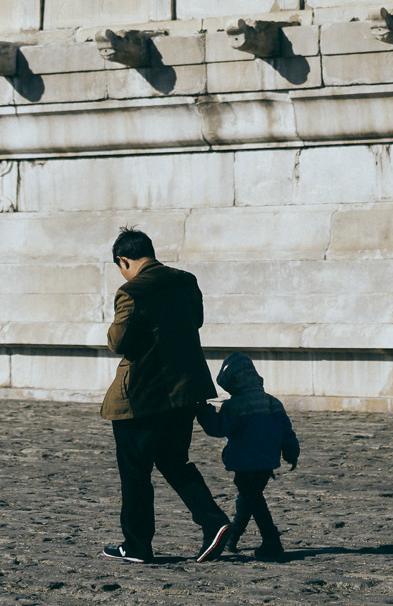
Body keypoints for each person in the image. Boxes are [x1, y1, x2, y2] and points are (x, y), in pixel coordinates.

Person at [100, 227, 232, 564]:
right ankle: (213, 520)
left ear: (123, 260)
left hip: (141, 397)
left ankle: (137, 545)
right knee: (175, 462)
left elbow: (119, 342)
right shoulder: (186, 281)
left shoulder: (131, 290)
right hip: (184, 392)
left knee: (135, 473)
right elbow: (195, 322)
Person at [196, 351, 300, 561]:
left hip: (244, 463)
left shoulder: (234, 406)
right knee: (248, 499)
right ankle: (234, 536)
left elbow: (218, 428)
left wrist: (203, 411)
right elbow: (286, 432)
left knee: (253, 500)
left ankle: (271, 539)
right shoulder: (273, 402)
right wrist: (291, 452)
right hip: (267, 463)